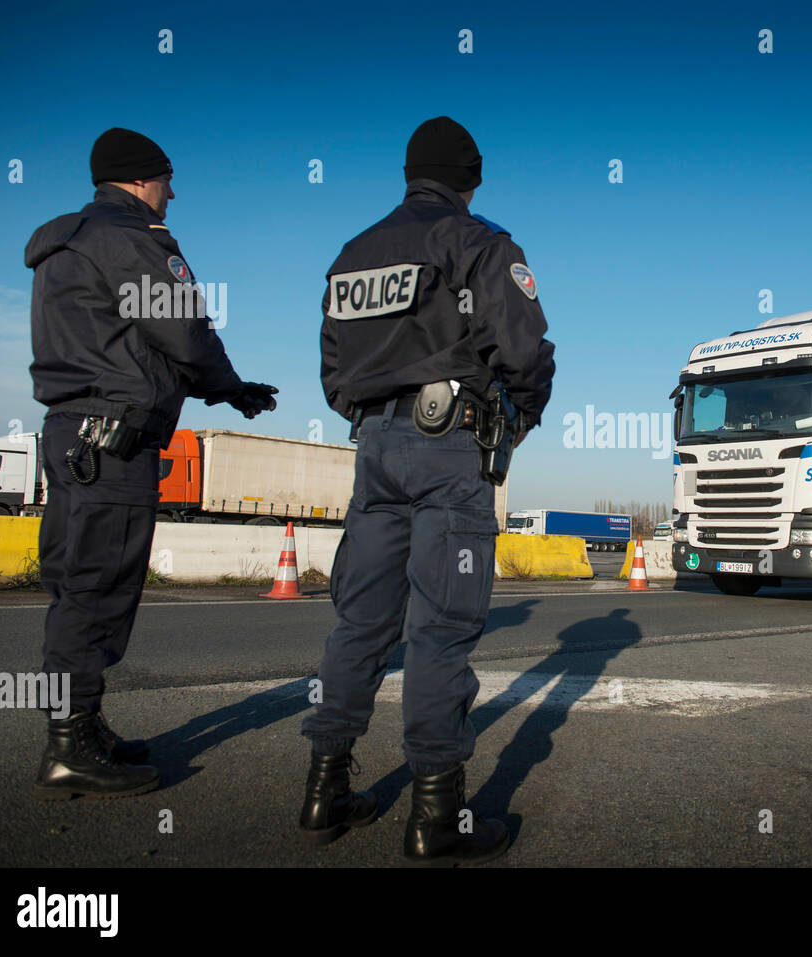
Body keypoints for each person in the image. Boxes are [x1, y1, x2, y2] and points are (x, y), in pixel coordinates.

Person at [300, 116, 555, 865]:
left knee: (359, 623)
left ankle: (323, 789)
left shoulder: (352, 255)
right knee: (440, 625)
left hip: (374, 449)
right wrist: (514, 419)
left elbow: (331, 372)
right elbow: (526, 349)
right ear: (468, 178)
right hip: (450, 447)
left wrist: (377, 417)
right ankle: (436, 814)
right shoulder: (478, 242)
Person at [25, 127, 277, 799]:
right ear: (139, 180)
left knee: (75, 583)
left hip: (69, 432)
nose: (173, 191)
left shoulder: (63, 243)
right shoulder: (130, 237)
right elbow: (182, 326)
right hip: (113, 442)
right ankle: (70, 743)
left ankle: (81, 725)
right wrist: (229, 385)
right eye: (166, 178)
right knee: (99, 587)